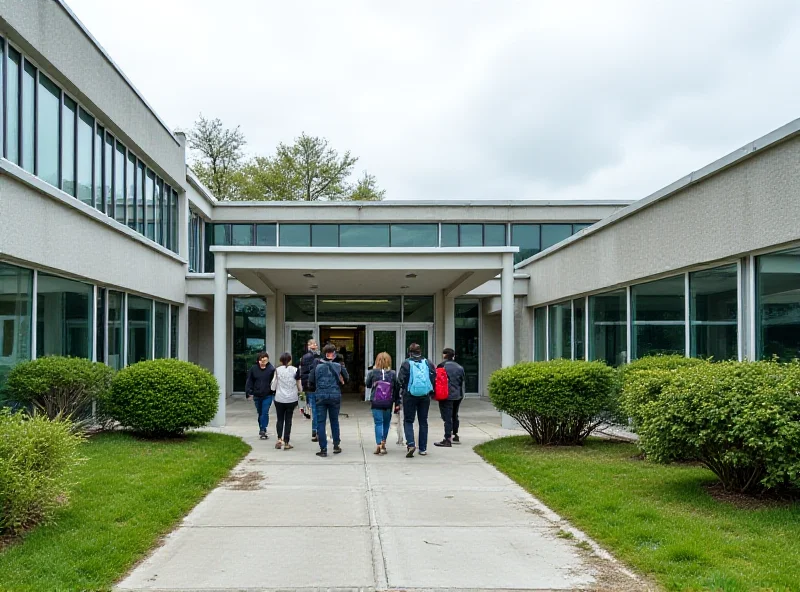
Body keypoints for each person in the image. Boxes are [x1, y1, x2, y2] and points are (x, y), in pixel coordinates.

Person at [308, 343, 349, 457]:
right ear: (334, 354)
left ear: (324, 354)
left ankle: (323, 449)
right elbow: (347, 378)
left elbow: (310, 381)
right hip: (335, 395)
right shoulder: (339, 366)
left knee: (321, 422)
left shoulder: (317, 365)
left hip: (321, 396)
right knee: (334, 421)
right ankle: (336, 445)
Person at [397, 343, 436, 458]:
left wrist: (403, 390)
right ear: (420, 351)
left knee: (408, 420)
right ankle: (423, 448)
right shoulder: (428, 363)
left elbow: (400, 380)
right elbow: (433, 378)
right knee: (423, 421)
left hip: (409, 395)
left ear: (409, 352)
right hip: (424, 395)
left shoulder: (406, 363)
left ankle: (411, 444)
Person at [365, 352, 399, 455]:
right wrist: (397, 402)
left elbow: (368, 385)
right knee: (386, 423)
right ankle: (384, 442)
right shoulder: (392, 373)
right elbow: (397, 388)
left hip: (376, 401)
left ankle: (378, 443)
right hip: (388, 401)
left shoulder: (373, 372)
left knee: (378, 423)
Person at [434, 348, 466, 448]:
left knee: (447, 417)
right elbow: (462, 381)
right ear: (453, 356)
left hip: (446, 394)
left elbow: (437, 380)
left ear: (444, 355)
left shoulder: (441, 366)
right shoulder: (460, 367)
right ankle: (455, 435)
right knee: (454, 415)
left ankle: (447, 439)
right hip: (458, 395)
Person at [271, 352, 301, 450]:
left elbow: (273, 386)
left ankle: (279, 439)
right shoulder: (296, 370)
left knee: (280, 419)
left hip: (279, 398)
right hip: (292, 399)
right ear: (290, 360)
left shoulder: (277, 370)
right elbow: (299, 384)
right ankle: (287, 442)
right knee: (288, 420)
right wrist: (301, 392)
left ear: (281, 361)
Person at [245, 351, 276, 440]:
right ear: (258, 360)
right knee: (260, 413)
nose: (263, 363)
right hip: (257, 395)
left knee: (265, 412)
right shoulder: (253, 369)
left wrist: (274, 392)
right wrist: (248, 392)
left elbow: (274, 382)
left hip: (268, 395)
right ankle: (262, 428)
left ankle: (263, 429)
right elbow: (249, 381)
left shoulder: (271, 369)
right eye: (261, 361)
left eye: (265, 361)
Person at [296, 339, 321, 442]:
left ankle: (315, 430)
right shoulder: (313, 357)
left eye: (315, 343)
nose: (315, 345)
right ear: (309, 346)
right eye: (313, 344)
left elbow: (300, 372)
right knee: (316, 409)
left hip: (307, 385)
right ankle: (315, 431)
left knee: (313, 408)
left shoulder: (304, 357)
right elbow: (313, 371)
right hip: (313, 385)